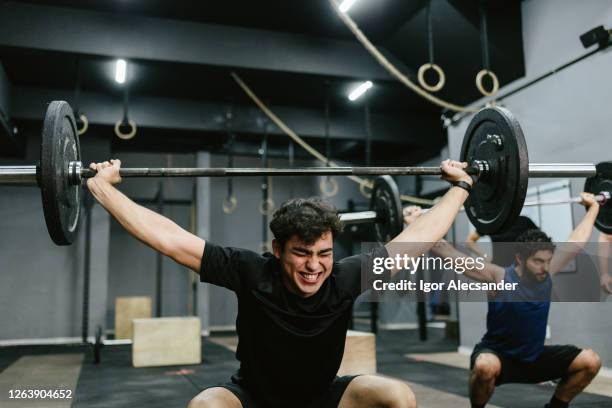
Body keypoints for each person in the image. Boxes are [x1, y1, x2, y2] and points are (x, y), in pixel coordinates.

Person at [86, 158, 473, 408]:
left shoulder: (346, 276)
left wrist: (461, 187)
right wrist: (103, 188)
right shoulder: (251, 271)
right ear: (277, 249)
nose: (314, 266)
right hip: (254, 397)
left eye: (323, 253)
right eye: (302, 253)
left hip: (323, 396)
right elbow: (169, 239)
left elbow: (417, 241)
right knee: (203, 407)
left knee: (399, 398)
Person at [424, 193, 602, 408]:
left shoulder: (547, 273)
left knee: (590, 361)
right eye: (538, 262)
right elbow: (449, 254)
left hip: (535, 357)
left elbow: (576, 242)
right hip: (499, 356)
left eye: (547, 261)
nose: (545, 268)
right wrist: (415, 221)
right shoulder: (497, 277)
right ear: (520, 258)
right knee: (484, 367)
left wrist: (593, 207)